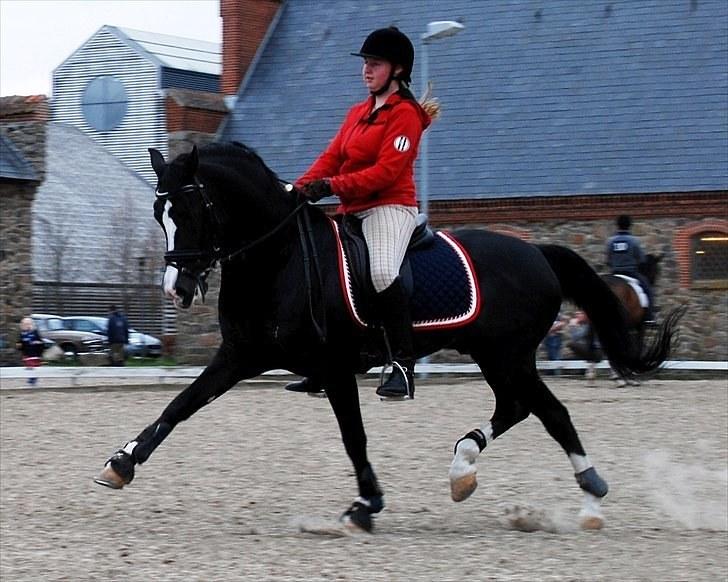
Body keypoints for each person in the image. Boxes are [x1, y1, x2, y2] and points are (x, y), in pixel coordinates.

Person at [290, 26, 435, 400]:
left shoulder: (405, 115)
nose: (366, 70)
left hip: (390, 208)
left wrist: (332, 186)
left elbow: (385, 173)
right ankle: (327, 362)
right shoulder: (357, 112)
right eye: (366, 63)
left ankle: (402, 363)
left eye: (375, 63)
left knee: (383, 270)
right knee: (319, 269)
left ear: (398, 70)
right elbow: (332, 158)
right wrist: (297, 189)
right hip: (352, 210)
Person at [606, 215, 655, 322]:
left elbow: (608, 260)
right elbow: (641, 259)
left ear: (617, 225)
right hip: (630, 272)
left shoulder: (610, 241)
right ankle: (649, 318)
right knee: (648, 290)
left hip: (614, 273)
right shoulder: (634, 241)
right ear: (629, 226)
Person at [16, 317, 43, 385]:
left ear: (32, 324)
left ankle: (33, 378)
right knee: (29, 366)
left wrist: (37, 343)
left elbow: (41, 342)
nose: (27, 326)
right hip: (27, 353)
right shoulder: (22, 334)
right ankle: (31, 378)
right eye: (25, 324)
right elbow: (20, 343)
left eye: (28, 324)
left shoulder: (35, 332)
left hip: (35, 353)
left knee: (34, 366)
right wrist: (19, 346)